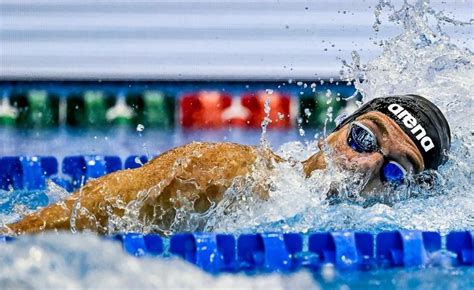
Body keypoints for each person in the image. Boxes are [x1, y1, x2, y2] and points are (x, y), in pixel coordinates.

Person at [5, 94, 451, 235]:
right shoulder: (229, 172)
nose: (368, 162)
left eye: (396, 171)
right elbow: (66, 220)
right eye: (363, 136)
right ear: (335, 130)